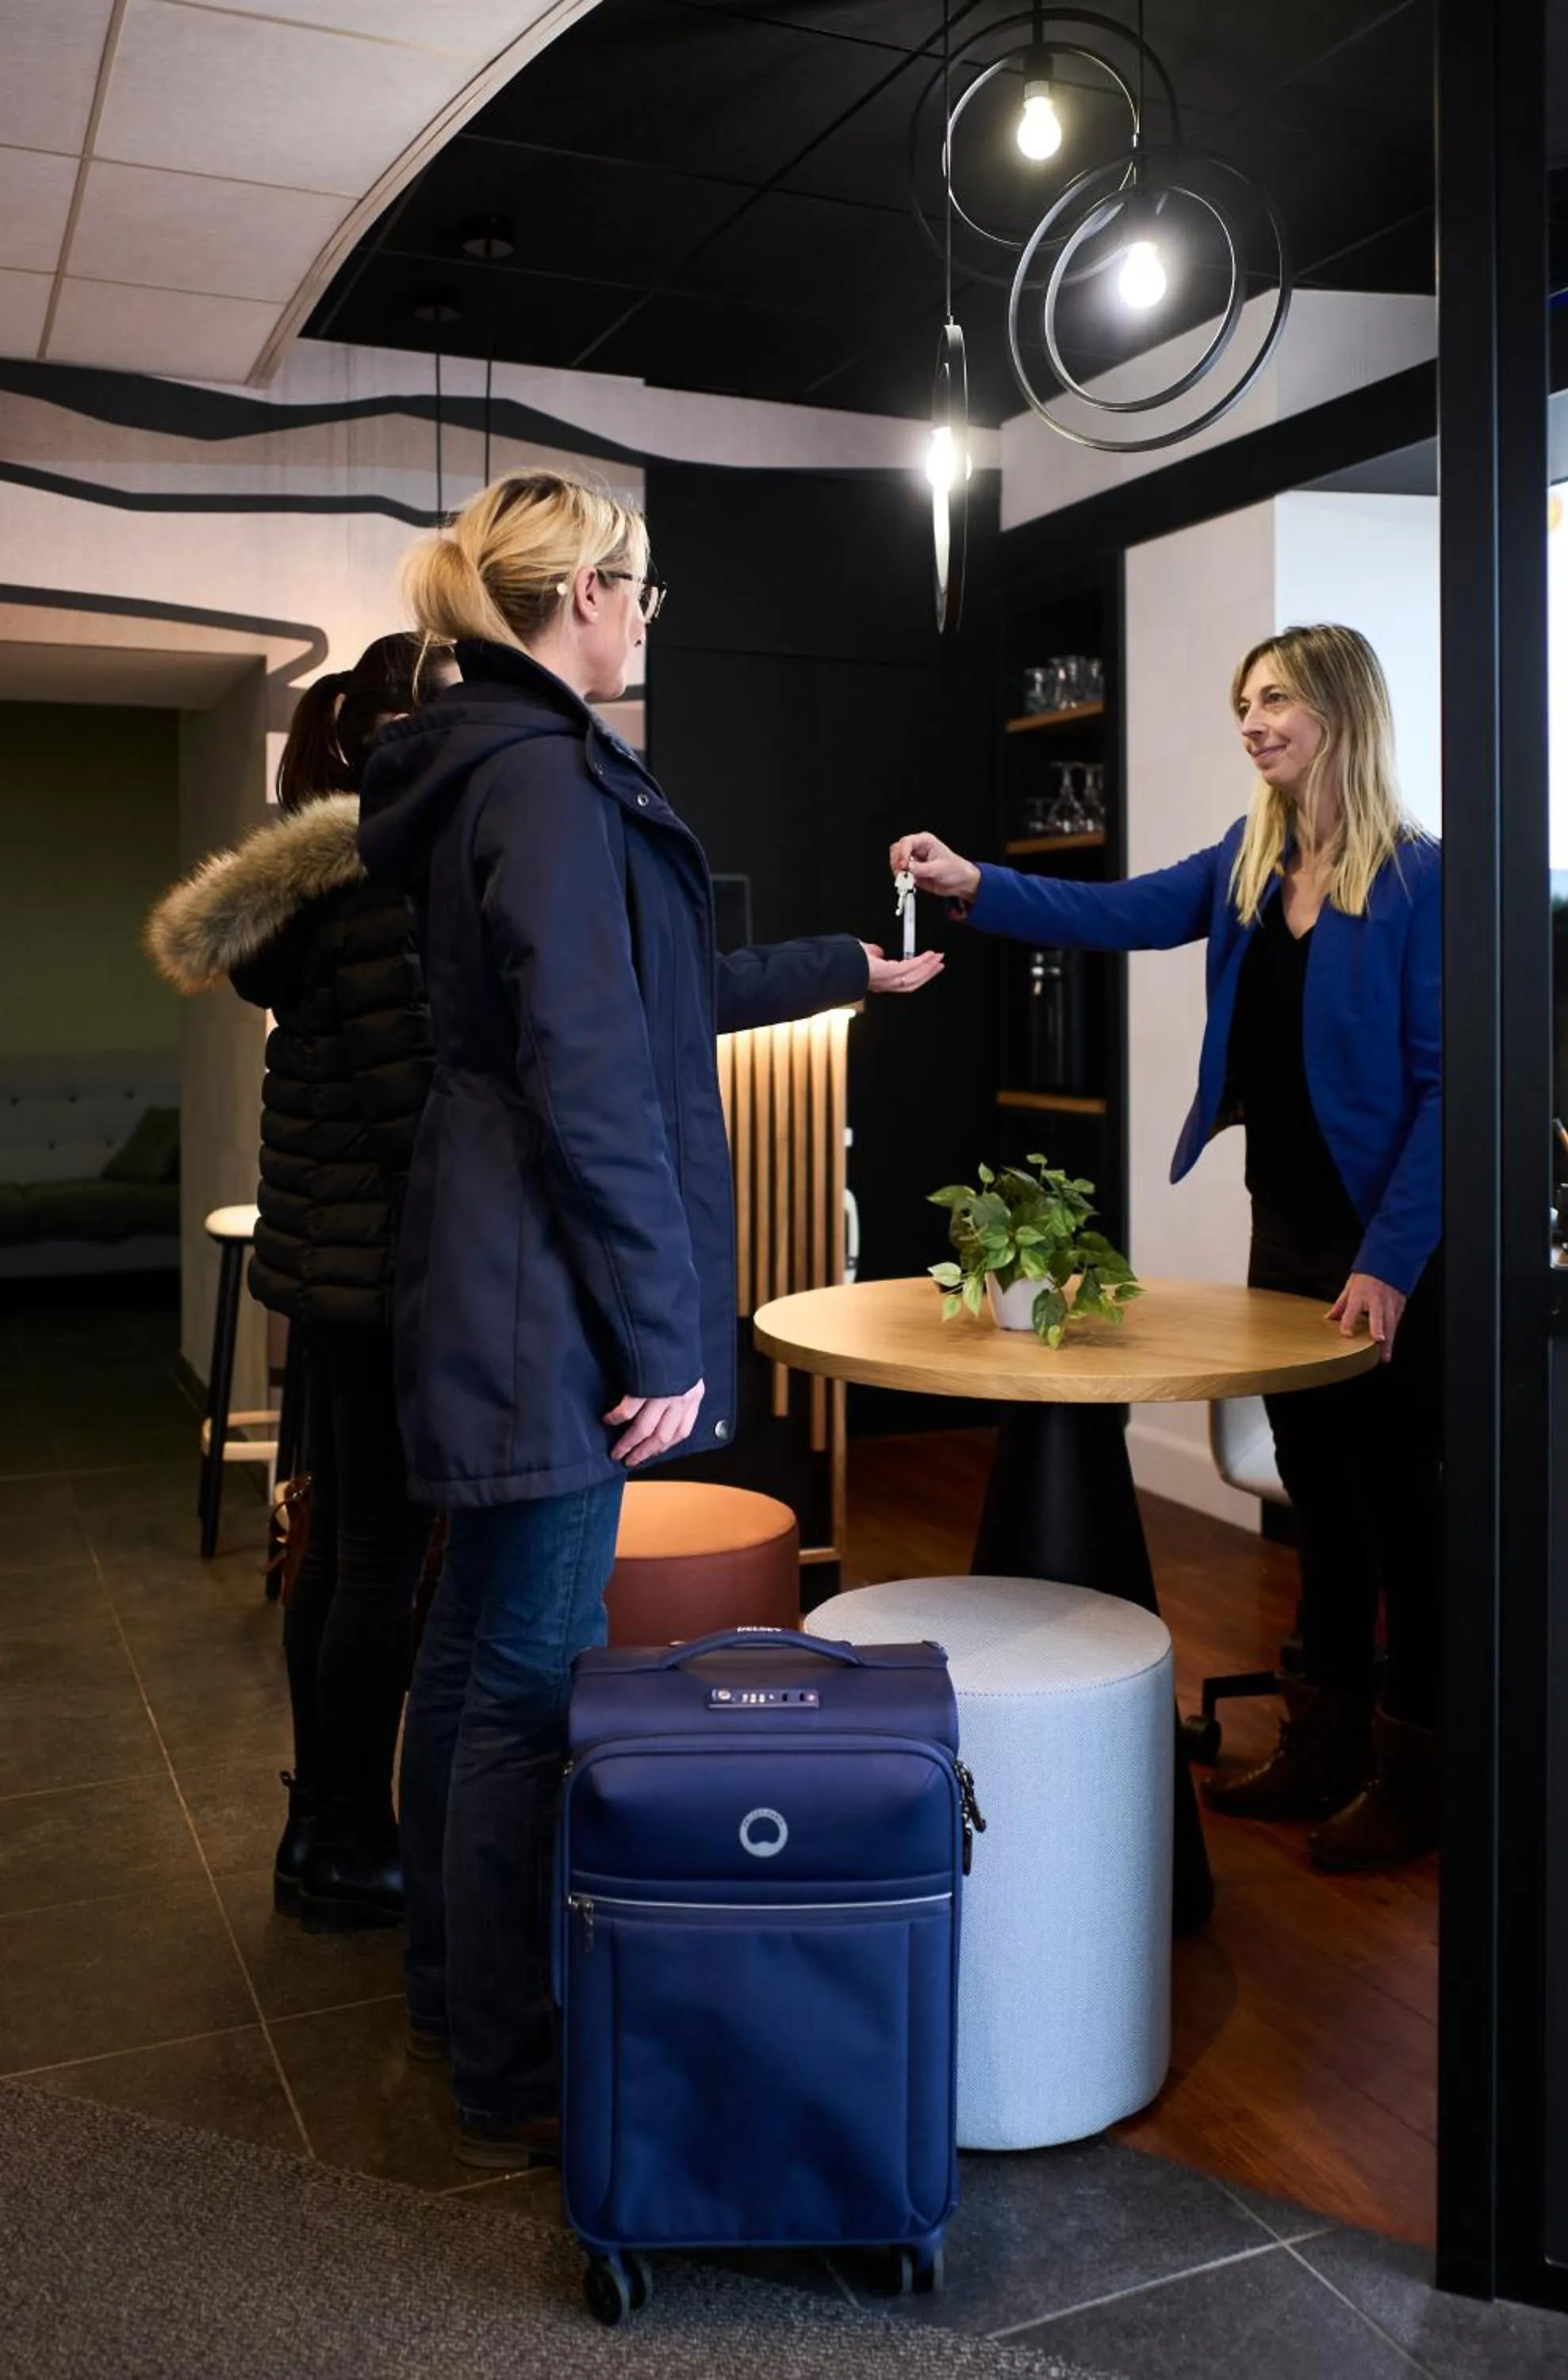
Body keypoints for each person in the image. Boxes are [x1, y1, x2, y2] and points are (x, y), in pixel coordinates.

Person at [357, 467, 944, 2166]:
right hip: (549, 1293)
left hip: (502, 1271)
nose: (647, 621)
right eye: (642, 592)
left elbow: (648, 998)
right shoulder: (542, 781)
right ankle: (507, 2057)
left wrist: (845, 959)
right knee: (523, 1680)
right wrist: (664, 1336)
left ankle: (443, 1995)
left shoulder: (493, 762)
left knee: (474, 1652)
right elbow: (595, 1077)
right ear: (582, 600)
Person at [891, 623, 1442, 1873]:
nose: (1251, 721)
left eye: (1277, 700)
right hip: (1289, 1231)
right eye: (1242, 699)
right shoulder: (1253, 865)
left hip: (1388, 1249)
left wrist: (1395, 1263)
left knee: (1401, 1513)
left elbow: (1448, 1091)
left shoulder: (1421, 880)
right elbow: (1122, 911)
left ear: (1342, 711)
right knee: (1324, 1509)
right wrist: (975, 881)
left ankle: (1416, 1773)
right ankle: (1323, 1740)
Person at [147, 633, 456, 1930]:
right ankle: (347, 1838)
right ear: (406, 728)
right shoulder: (387, 882)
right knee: (374, 1560)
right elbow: (410, 1104)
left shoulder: (315, 886)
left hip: (322, 1273)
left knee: (333, 1551)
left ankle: (318, 1827)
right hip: (382, 1272)